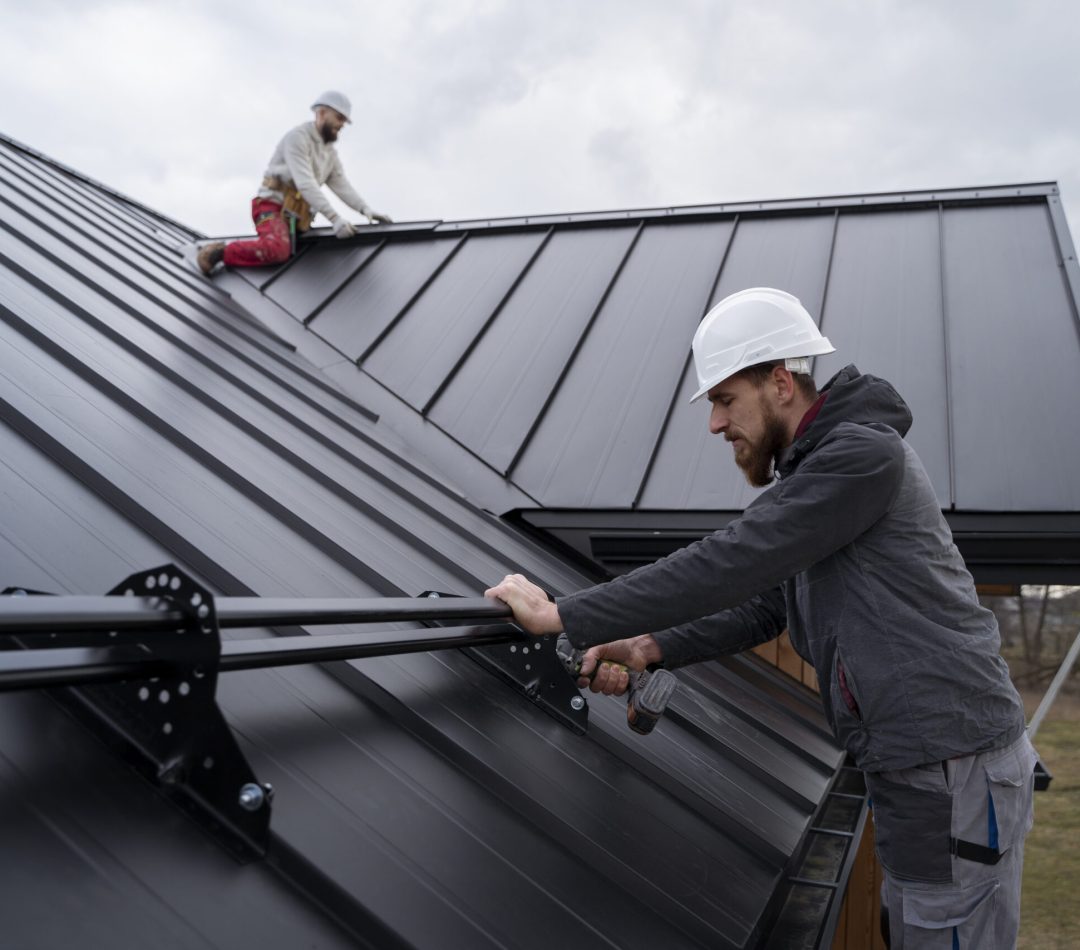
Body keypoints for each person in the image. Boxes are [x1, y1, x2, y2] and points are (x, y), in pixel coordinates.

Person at [485, 287, 1036, 949]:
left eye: (724, 400)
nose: (715, 425)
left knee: (942, 933)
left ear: (780, 383)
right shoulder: (822, 474)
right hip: (920, 766)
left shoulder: (862, 458)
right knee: (917, 928)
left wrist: (562, 615)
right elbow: (767, 603)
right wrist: (647, 645)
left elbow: (734, 560)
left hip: (954, 766)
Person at [194, 91, 392, 276]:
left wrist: (365, 209)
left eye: (344, 121)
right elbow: (305, 183)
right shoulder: (297, 138)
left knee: (311, 251)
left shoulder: (329, 153)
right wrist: (334, 218)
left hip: (296, 217)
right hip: (271, 207)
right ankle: (219, 253)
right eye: (339, 118)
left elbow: (341, 184)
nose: (342, 125)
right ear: (322, 113)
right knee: (277, 249)